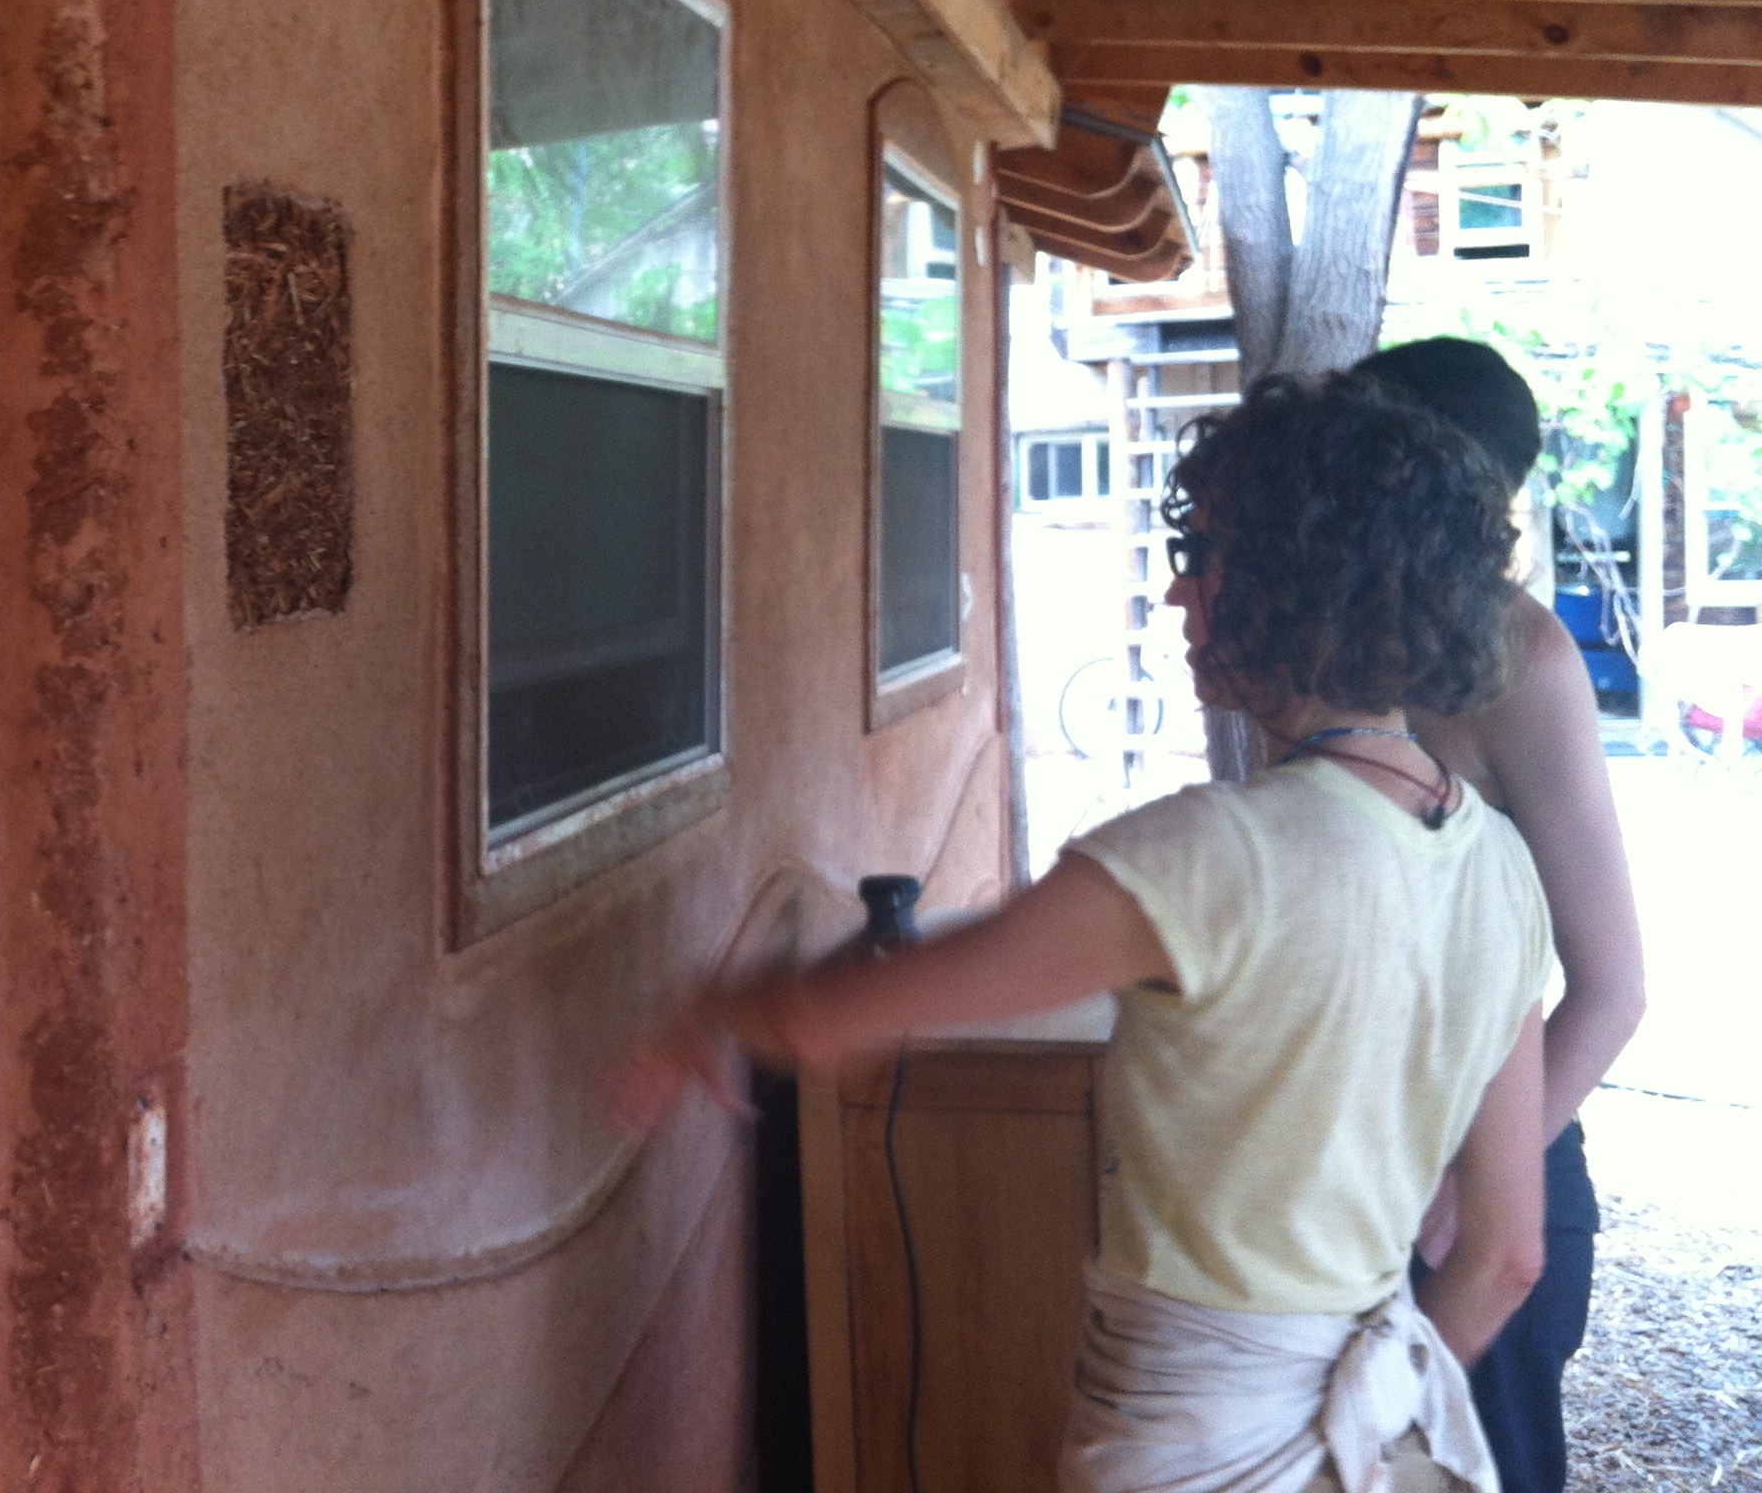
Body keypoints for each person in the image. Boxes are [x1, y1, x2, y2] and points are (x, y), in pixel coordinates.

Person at [605, 372, 1553, 1493]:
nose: (1178, 590)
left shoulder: (1215, 855)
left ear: (1295, 581)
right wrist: (1365, 1417)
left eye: (1202, 555)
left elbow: (842, 1015)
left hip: (1187, 1444)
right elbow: (1505, 1256)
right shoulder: (1498, 867)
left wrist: (708, 1014)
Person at [1356, 337, 1648, 1493]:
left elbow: (1614, 988)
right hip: (1352, 1177)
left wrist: (1472, 1191)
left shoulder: (1517, 657)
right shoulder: (1329, 634)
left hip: (1477, 1191)